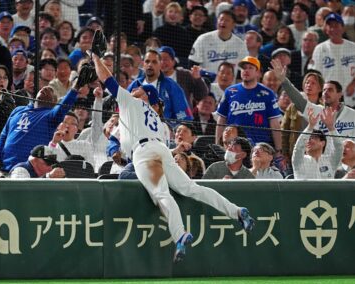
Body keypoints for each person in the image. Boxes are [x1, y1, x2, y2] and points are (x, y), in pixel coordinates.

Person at [92, 42, 255, 263]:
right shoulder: (158, 121)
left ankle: (180, 234)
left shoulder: (132, 102)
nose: (135, 87)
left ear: (145, 96)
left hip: (145, 152)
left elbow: (107, 79)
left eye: (139, 88)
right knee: (191, 188)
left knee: (161, 195)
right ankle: (236, 211)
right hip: (160, 149)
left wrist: (94, 56)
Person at [0, 85, 79, 173]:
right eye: (43, 88)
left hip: (29, 172)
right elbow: (3, 136)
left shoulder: (51, 116)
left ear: (54, 102)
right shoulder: (17, 110)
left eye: (51, 91)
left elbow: (64, 106)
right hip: (4, 169)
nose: (45, 88)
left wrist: (75, 89)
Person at [215, 56, 283, 155]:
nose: (246, 70)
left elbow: (274, 124)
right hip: (233, 147)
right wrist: (218, 145)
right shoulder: (230, 92)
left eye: (250, 68)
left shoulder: (267, 94)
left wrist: (278, 150)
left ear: (258, 73)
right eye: (244, 68)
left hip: (260, 147)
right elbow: (221, 120)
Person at [271, 60, 355, 139]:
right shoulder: (316, 110)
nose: (325, 92)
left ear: (339, 94)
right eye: (324, 90)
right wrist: (284, 80)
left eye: (330, 90)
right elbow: (298, 99)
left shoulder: (352, 114)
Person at [127, 49, 193, 124]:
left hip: (162, 133)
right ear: (143, 64)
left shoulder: (171, 86)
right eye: (147, 61)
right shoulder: (135, 84)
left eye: (154, 62)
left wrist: (170, 129)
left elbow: (183, 116)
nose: (150, 65)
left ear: (160, 65)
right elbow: (122, 107)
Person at [308, 13, 355, 108]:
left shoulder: (353, 47)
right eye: (330, 26)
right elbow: (314, 75)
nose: (333, 29)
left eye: (336, 26)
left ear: (343, 27)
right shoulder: (320, 48)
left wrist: (353, 84)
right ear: (326, 29)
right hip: (328, 99)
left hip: (351, 97)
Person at [189, 10, 248, 74]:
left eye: (227, 20)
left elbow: (241, 70)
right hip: (206, 82)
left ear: (233, 25)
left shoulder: (240, 44)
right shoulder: (203, 39)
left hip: (230, 83)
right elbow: (193, 63)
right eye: (221, 19)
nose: (223, 22)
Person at [292, 107, 343, 179]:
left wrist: (331, 127)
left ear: (323, 143)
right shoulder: (298, 160)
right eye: (308, 138)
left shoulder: (331, 161)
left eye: (314, 137)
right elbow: (298, 148)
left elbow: (339, 147)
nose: (309, 140)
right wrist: (310, 127)